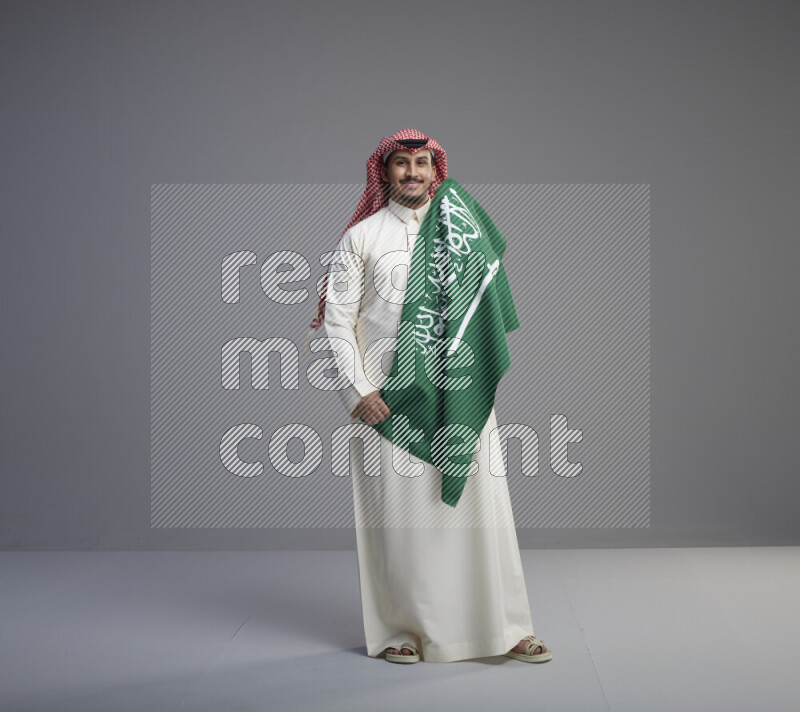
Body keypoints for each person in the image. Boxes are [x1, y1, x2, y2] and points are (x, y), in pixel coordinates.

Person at [303, 128, 552, 664]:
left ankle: (506, 628)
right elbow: (339, 323)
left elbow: (485, 303)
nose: (412, 173)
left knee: (482, 514)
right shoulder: (361, 238)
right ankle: (402, 632)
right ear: (384, 172)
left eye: (421, 163)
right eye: (401, 164)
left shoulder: (461, 230)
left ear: (435, 169)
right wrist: (358, 391)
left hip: (459, 390)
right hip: (389, 401)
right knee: (400, 522)